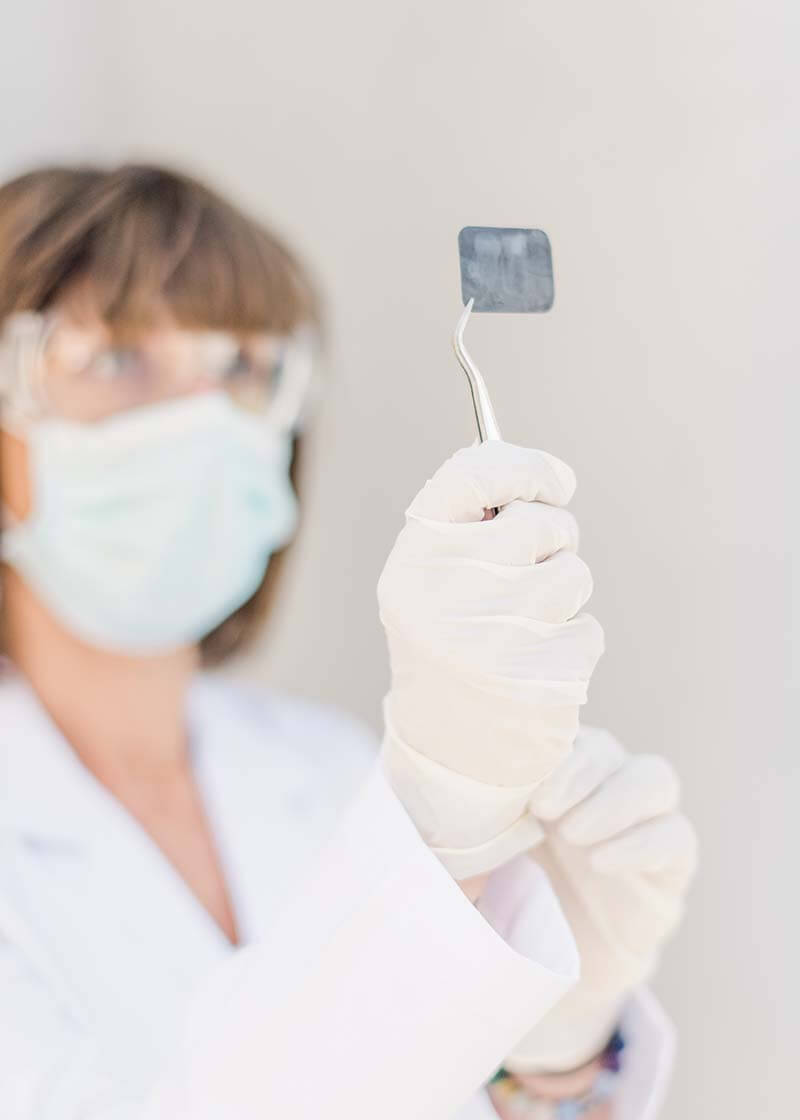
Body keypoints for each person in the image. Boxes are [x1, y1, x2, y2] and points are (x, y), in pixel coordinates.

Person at [0, 164, 697, 1120]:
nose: (203, 418)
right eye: (117, 359)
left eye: (244, 368)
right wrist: (429, 843)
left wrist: (549, 1060)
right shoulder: (397, 804)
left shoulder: (328, 767)